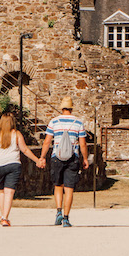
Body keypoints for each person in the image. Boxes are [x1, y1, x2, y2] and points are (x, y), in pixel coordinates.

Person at [0, 112, 39, 226]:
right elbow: (25, 150)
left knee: (1, 191)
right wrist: (37, 160)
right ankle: (5, 217)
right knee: (9, 192)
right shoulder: (16, 134)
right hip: (13, 165)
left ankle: (3, 217)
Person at [41, 96, 89, 227]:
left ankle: (58, 212)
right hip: (72, 157)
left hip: (57, 156)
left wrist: (42, 156)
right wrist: (85, 158)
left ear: (61, 108)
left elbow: (47, 142)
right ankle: (66, 218)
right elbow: (83, 144)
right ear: (71, 108)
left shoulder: (54, 122)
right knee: (69, 189)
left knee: (58, 186)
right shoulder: (78, 122)